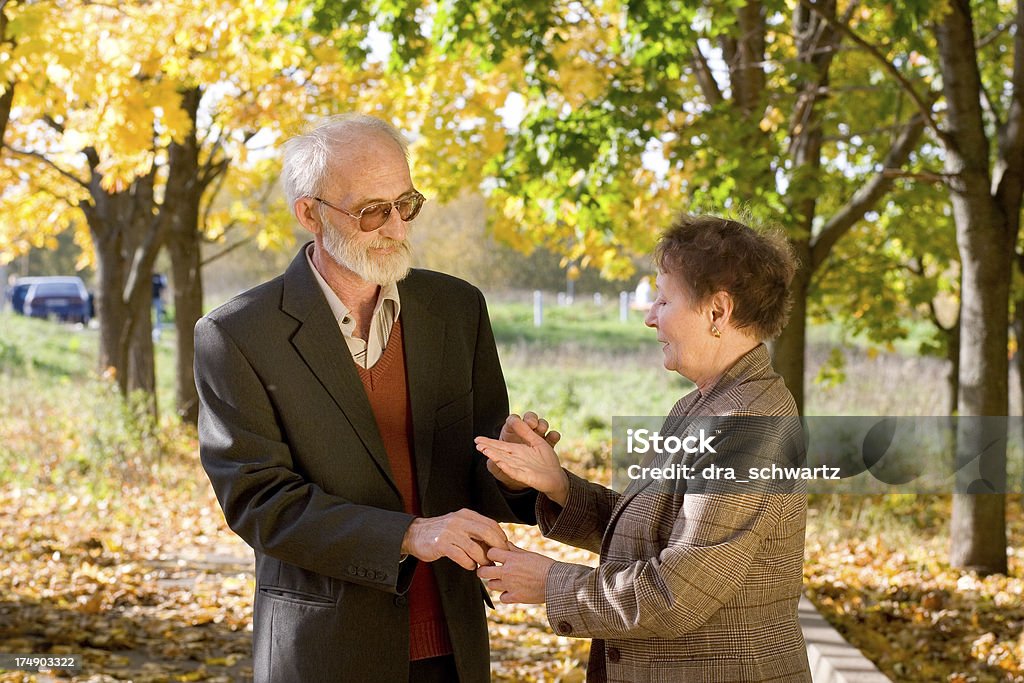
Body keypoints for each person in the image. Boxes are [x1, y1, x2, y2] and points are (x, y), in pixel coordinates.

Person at [193, 114, 553, 683]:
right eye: (372, 211)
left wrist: (512, 474)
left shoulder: (457, 309)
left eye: (406, 204)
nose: (396, 227)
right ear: (309, 214)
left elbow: (471, 473)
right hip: (323, 651)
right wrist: (411, 534)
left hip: (452, 645)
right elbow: (259, 501)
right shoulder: (236, 334)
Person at [476, 214, 812, 682]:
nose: (650, 316)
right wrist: (557, 486)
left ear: (718, 312)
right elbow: (654, 536)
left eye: (663, 299)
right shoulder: (704, 404)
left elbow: (675, 595)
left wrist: (549, 582)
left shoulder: (747, 427)